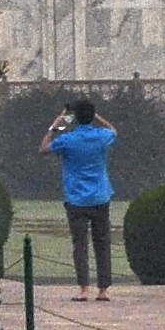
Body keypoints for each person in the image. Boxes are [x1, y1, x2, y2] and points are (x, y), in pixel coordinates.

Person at [44, 95, 120, 296]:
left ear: (74, 118)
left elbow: (44, 147)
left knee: (80, 245)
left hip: (76, 198)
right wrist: (97, 117)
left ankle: (84, 288)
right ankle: (103, 289)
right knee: (102, 243)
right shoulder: (102, 136)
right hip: (100, 197)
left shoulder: (68, 140)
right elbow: (113, 130)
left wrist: (58, 123)